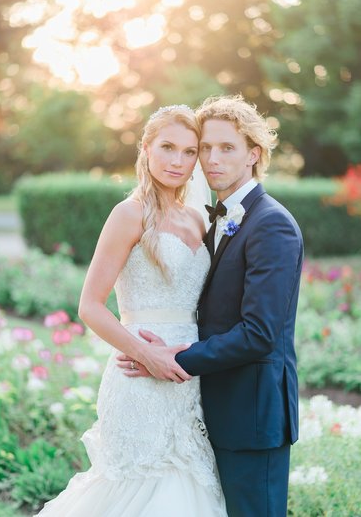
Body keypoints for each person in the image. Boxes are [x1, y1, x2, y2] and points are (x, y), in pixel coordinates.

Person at [35, 104, 227, 517]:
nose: (178, 161)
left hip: (190, 379)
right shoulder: (130, 214)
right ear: (145, 148)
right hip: (139, 379)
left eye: (190, 151)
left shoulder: (198, 219)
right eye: (167, 147)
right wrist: (148, 354)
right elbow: (89, 305)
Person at [119, 95, 304, 516]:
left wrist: (173, 357)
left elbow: (259, 333)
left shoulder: (272, 224)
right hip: (211, 410)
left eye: (227, 148)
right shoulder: (217, 217)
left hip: (252, 417)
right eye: (205, 148)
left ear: (253, 155)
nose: (211, 159)